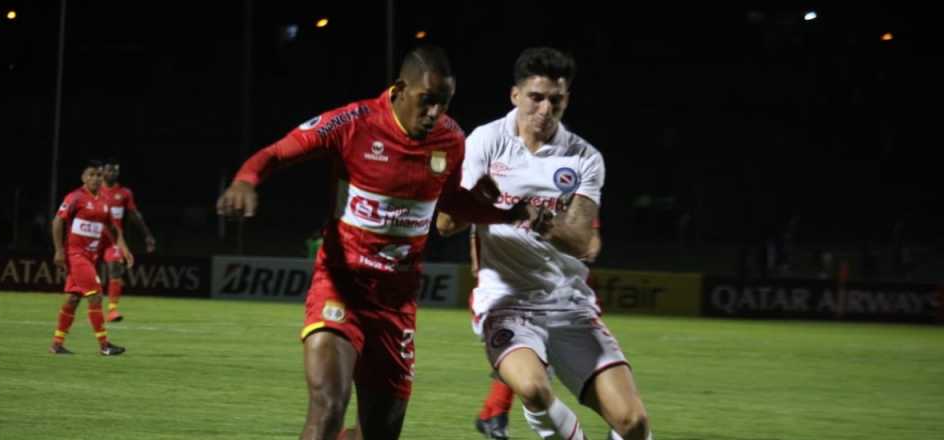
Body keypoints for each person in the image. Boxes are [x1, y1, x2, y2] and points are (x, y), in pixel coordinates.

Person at [216, 46, 534, 440]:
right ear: (400, 89)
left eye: (445, 103)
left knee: (379, 433)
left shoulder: (451, 139)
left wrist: (506, 213)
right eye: (427, 101)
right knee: (329, 406)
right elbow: (277, 152)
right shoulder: (353, 123)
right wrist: (246, 180)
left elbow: (449, 202)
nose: (436, 113)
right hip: (340, 288)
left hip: (395, 304)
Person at [437, 47, 653, 440]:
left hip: (568, 306)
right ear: (515, 95)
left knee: (634, 424)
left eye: (556, 99)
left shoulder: (585, 158)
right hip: (507, 302)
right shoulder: (486, 140)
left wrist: (533, 218)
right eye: (536, 97)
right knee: (534, 388)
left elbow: (581, 240)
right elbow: (447, 222)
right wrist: (484, 202)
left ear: (567, 99)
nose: (545, 108)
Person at [472, 221, 602, 440]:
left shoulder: (577, 198)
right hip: (514, 295)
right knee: (530, 367)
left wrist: (575, 244)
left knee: (531, 365)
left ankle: (493, 413)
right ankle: (494, 413)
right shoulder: (508, 196)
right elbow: (466, 227)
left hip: (561, 294)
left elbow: (591, 243)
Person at [49, 160, 132, 356]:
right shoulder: (75, 197)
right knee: (95, 295)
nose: (95, 178)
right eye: (91, 175)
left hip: (90, 257)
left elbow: (114, 229)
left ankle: (56, 344)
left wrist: (125, 250)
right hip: (76, 255)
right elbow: (57, 221)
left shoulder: (104, 202)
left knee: (72, 299)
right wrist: (59, 250)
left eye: (98, 175)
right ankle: (105, 346)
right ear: (83, 178)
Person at [99, 157, 156, 322]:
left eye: (115, 170)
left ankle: (112, 310)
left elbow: (134, 216)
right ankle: (94, 310)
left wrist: (147, 235)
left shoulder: (124, 193)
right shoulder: (94, 190)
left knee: (115, 268)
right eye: (109, 169)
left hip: (114, 240)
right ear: (102, 171)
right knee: (89, 276)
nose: (112, 173)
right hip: (93, 238)